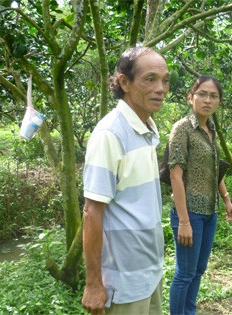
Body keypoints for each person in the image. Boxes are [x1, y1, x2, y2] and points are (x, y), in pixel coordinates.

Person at [81, 46, 169, 315]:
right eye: (150, 79)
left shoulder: (147, 127)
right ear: (124, 82)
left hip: (150, 272)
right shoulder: (110, 134)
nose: (161, 88)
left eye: (165, 80)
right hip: (123, 282)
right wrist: (94, 283)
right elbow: (92, 212)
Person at [167, 75, 232, 315]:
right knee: (184, 273)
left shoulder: (210, 130)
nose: (208, 100)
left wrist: (226, 199)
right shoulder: (182, 129)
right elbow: (175, 176)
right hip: (189, 213)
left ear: (219, 102)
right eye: (202, 94)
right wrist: (184, 221)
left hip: (210, 212)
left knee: (198, 270)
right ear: (191, 97)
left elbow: (215, 170)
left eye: (214, 96)